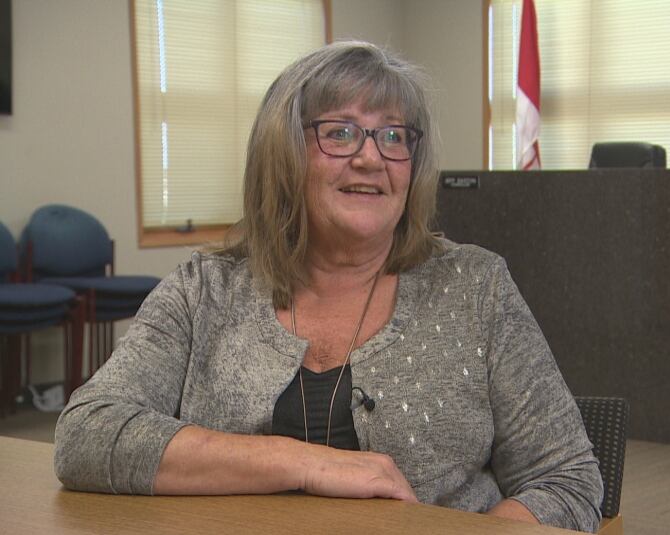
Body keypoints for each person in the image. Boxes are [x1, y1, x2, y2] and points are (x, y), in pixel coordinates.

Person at [54, 41, 602, 532]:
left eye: (393, 136)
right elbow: (86, 435)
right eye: (339, 132)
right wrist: (309, 462)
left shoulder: (476, 287)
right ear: (283, 153)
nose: (371, 157)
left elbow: (567, 482)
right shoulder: (205, 290)